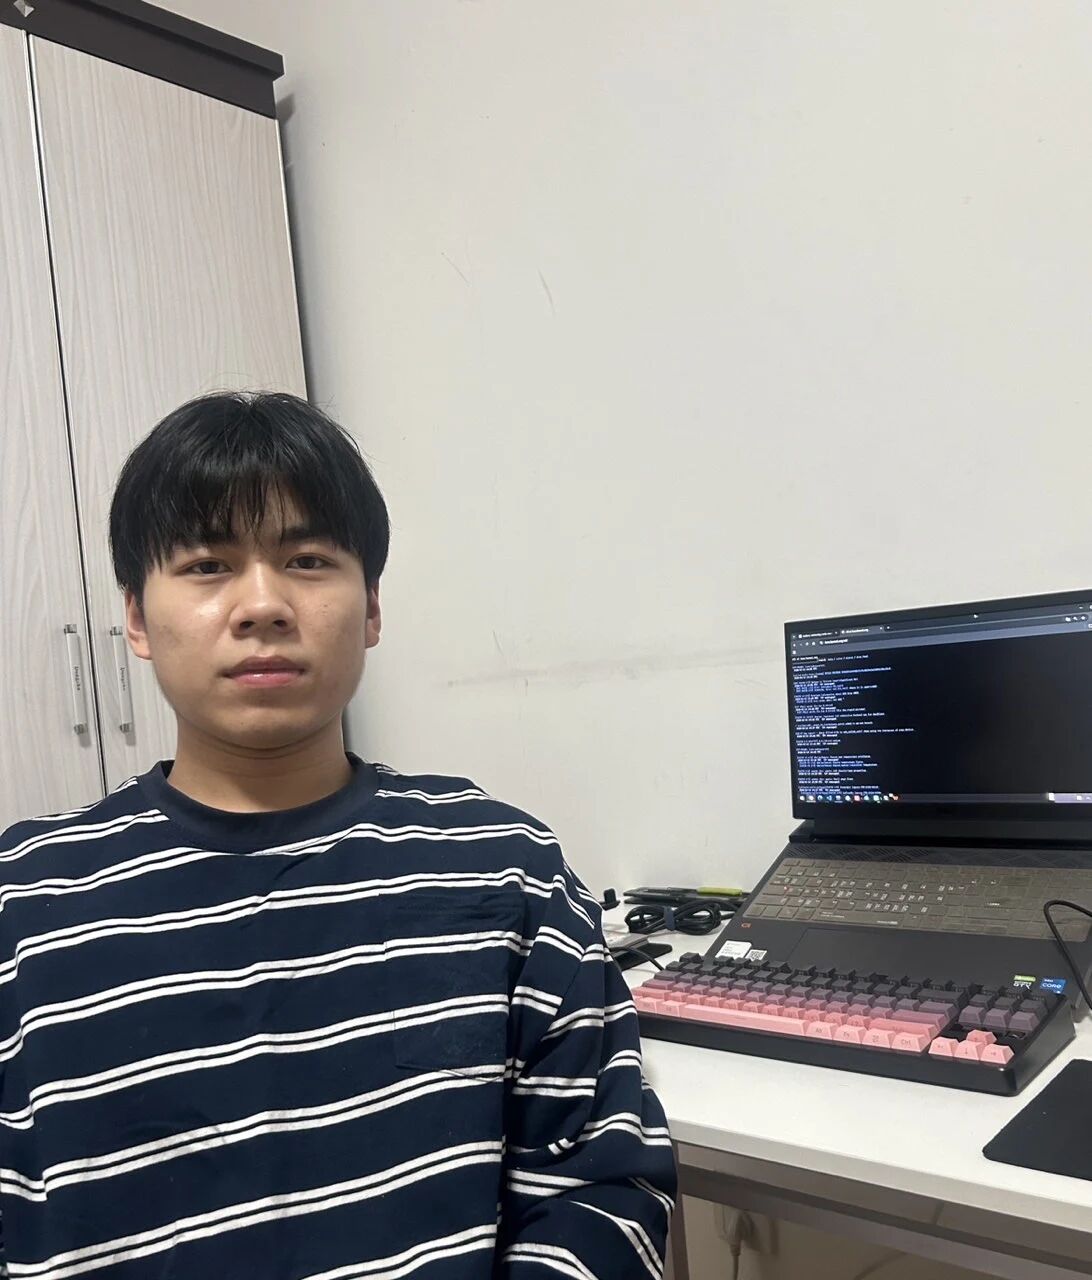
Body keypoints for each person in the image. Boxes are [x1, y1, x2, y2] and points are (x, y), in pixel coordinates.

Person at [0, 393, 676, 1279]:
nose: (262, 604)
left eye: (308, 560)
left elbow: (604, 1186)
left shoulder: (505, 871)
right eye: (207, 565)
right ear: (135, 617)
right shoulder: (25, 900)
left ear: (372, 609)